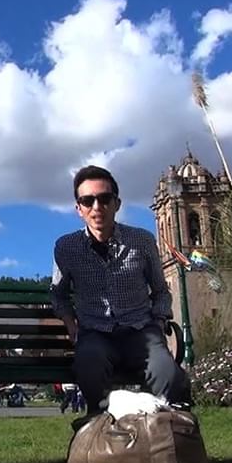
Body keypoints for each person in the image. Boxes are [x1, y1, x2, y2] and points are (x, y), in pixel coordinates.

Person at [50, 166, 193, 417]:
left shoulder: (142, 241)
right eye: (88, 201)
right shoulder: (66, 247)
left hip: (140, 331)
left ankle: (170, 428)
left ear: (117, 203)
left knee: (169, 376)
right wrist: (70, 323)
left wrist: (159, 322)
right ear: (79, 209)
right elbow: (58, 295)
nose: (97, 207)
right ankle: (99, 422)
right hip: (95, 332)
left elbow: (161, 291)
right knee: (89, 366)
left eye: (104, 198)